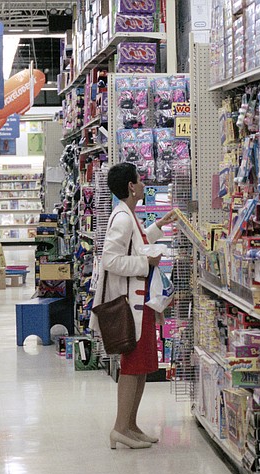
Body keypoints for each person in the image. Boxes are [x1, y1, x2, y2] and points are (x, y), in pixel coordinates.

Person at [90, 163, 176, 450]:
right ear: (130, 186)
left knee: (141, 367)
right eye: (140, 180)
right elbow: (110, 260)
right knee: (132, 366)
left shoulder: (128, 215)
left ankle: (131, 425)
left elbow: (135, 245)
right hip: (131, 305)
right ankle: (119, 428)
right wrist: (145, 264)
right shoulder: (123, 219)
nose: (143, 185)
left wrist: (158, 227)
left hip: (142, 302)